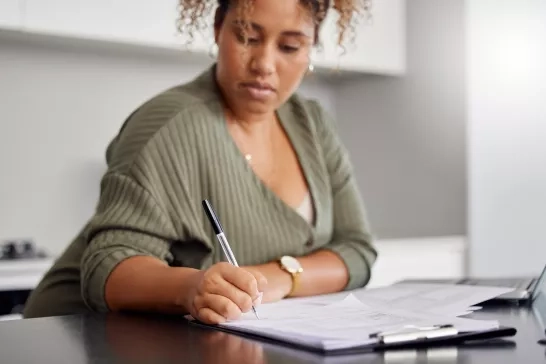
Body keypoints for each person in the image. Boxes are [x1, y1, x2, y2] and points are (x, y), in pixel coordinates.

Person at [23, 0, 377, 323]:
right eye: (247, 37)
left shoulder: (313, 124)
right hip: (73, 335)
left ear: (311, 49)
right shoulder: (167, 125)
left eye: (289, 46)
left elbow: (357, 250)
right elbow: (107, 265)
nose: (264, 65)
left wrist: (278, 277)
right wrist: (191, 287)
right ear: (216, 31)